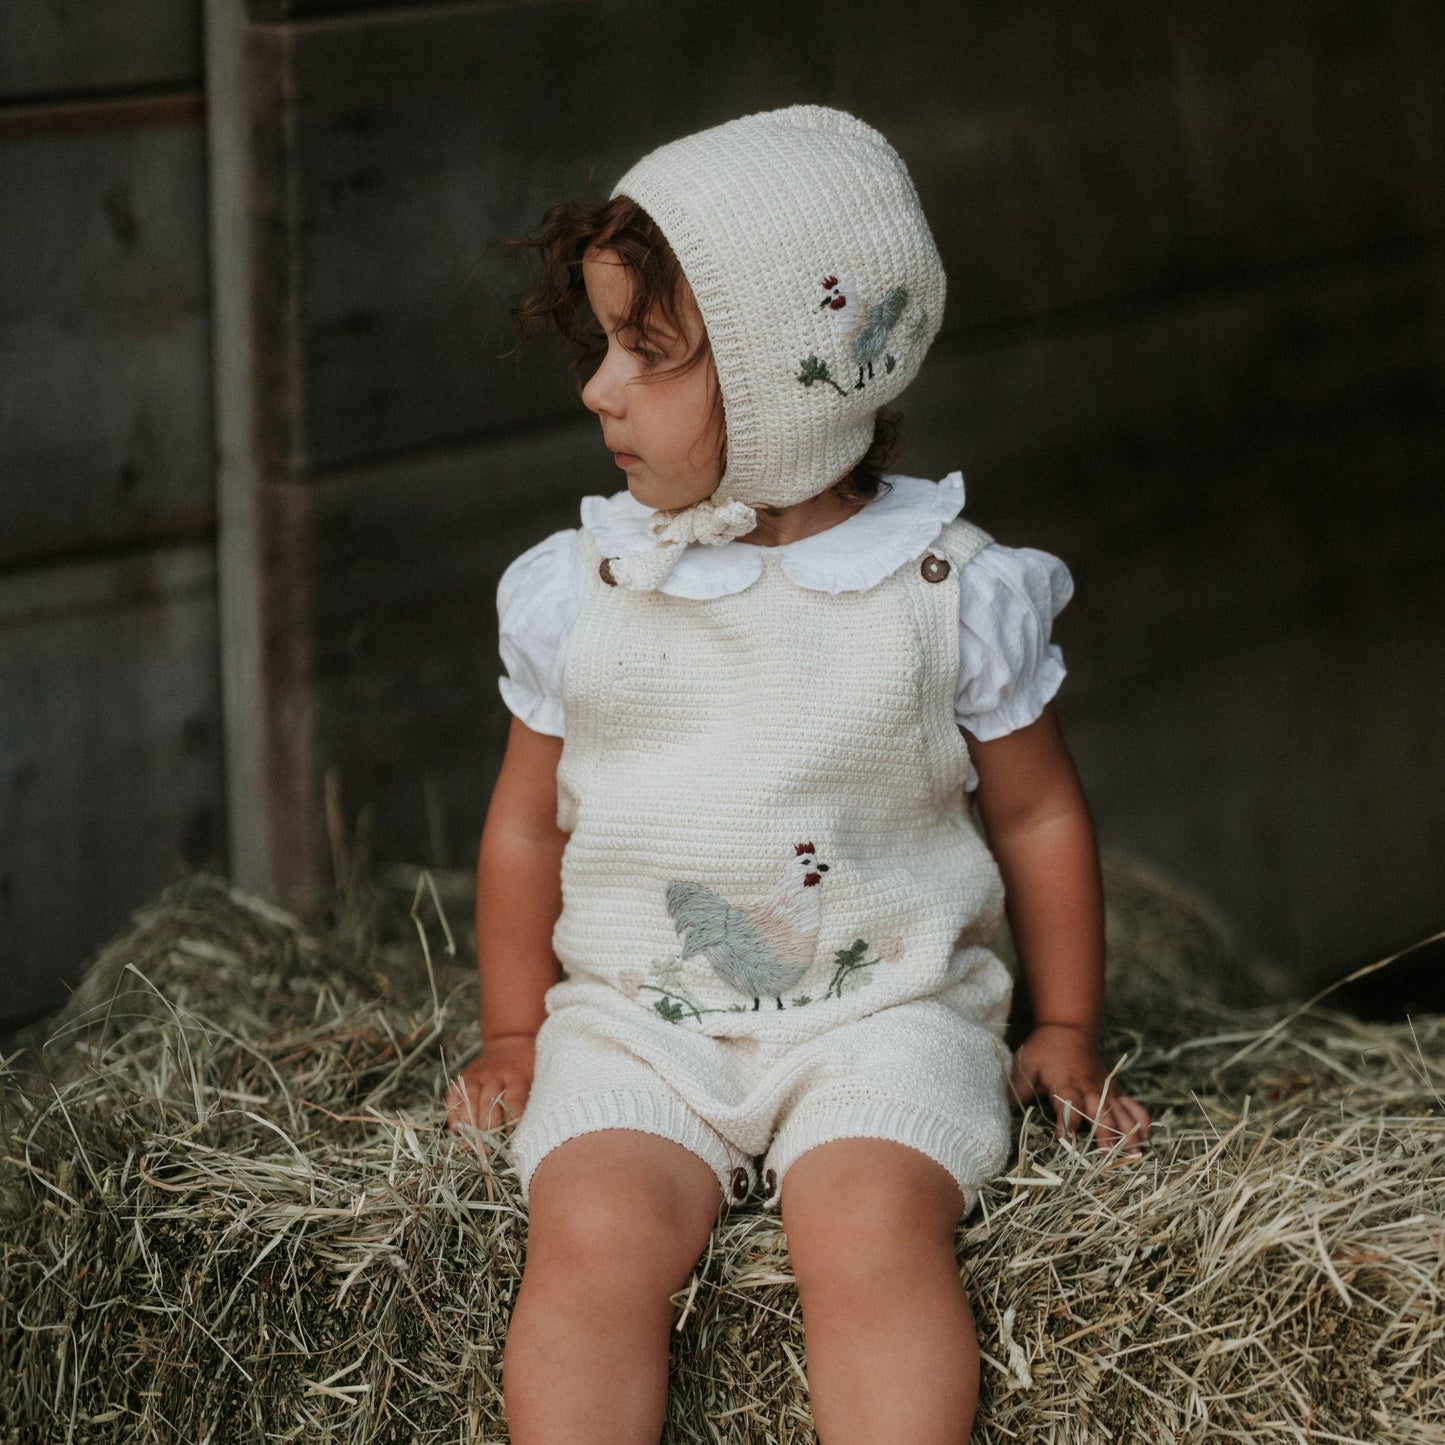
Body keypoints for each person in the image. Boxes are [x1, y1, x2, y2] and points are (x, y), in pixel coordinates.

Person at [446, 105, 1151, 1445]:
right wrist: (518, 1033)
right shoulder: (587, 589)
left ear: (784, 384)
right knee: (593, 1226)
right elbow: (528, 825)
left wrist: (1063, 1024)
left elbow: (1038, 811)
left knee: (868, 1223)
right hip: (640, 1020)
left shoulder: (941, 589)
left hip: (882, 1013)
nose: (598, 390)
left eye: (647, 355)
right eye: (604, 347)